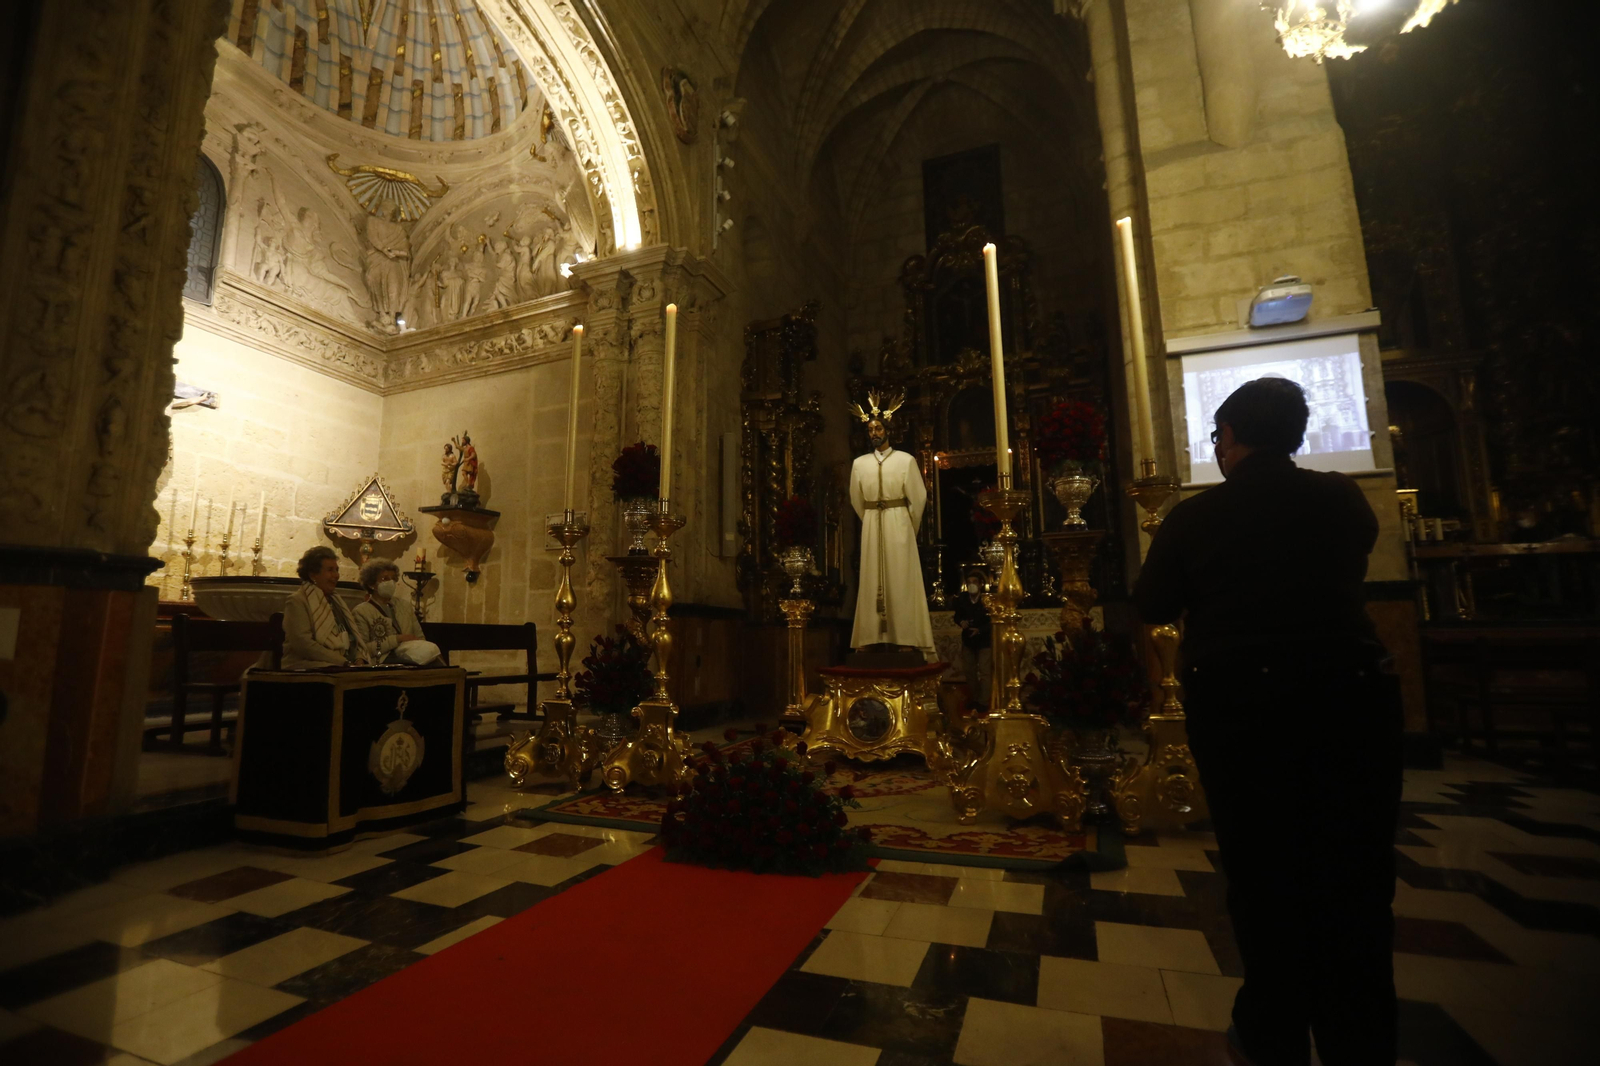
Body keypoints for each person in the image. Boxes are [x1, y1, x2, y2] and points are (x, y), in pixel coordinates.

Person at [1133, 377, 1399, 1066]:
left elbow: (1152, 602)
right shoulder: (1341, 498)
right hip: (1351, 694)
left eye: (1216, 438)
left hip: (1242, 704)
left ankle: (1273, 1029)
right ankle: (1359, 1038)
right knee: (1355, 869)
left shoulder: (1197, 517)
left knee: (1262, 868)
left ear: (1229, 439)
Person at [847, 391, 935, 656]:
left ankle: (905, 636)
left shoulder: (905, 460)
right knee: (871, 577)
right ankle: (870, 636)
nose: (874, 432)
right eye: (870, 429)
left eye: (878, 427)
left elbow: (918, 499)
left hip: (899, 524)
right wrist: (873, 520)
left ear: (888, 430)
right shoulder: (859, 464)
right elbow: (856, 499)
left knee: (901, 578)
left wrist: (906, 528)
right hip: (873, 523)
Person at [282, 546, 371, 669]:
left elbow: (352, 638)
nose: (336, 575)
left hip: (342, 665)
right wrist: (342, 662)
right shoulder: (297, 601)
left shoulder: (337, 602)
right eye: (330, 570)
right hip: (306, 665)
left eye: (336, 570)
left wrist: (359, 658)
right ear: (313, 574)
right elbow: (303, 644)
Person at [352, 559, 442, 665]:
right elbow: (363, 649)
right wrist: (397, 639)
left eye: (393, 579)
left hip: (411, 653)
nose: (391, 582)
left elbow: (420, 638)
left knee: (436, 661)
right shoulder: (361, 612)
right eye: (385, 579)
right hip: (383, 658)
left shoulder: (405, 606)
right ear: (372, 584)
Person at [951, 565, 991, 710]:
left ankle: (984, 701)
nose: (971, 585)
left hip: (984, 641)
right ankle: (975, 698)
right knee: (969, 671)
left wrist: (979, 630)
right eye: (969, 582)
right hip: (968, 640)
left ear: (981, 584)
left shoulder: (987, 601)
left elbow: (993, 621)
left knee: (985, 672)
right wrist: (961, 622)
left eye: (975, 581)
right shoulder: (962, 599)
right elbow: (957, 616)